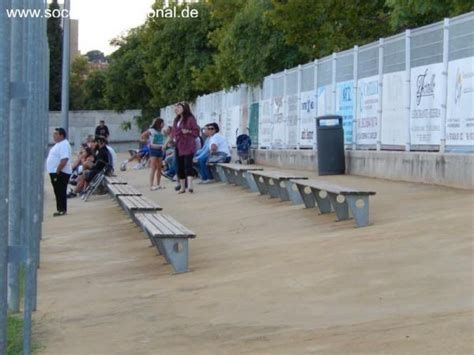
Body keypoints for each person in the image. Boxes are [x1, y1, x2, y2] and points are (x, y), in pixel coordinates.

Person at [171, 102, 200, 194]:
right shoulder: (176, 120)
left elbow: (196, 131)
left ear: (184, 108)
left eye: (179, 107)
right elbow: (173, 132)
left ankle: (190, 186)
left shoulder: (190, 119)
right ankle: (182, 187)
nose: (177, 109)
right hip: (178, 145)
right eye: (176, 108)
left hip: (188, 144)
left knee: (188, 165)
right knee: (179, 166)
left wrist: (188, 131)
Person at [46, 127, 72, 216]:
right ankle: (60, 209)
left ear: (61, 135)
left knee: (60, 191)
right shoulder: (59, 144)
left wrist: (58, 171)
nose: (54, 136)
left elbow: (64, 159)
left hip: (60, 173)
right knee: (58, 191)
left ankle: (61, 209)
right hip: (56, 172)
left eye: (56, 134)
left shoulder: (63, 144)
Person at [141, 118, 167, 190]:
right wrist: (148, 143)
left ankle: (158, 184)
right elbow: (142, 136)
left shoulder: (162, 131)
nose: (163, 124)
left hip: (160, 149)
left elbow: (166, 137)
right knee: (153, 168)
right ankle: (151, 185)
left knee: (159, 168)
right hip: (153, 149)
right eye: (162, 123)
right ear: (159, 123)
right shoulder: (151, 131)